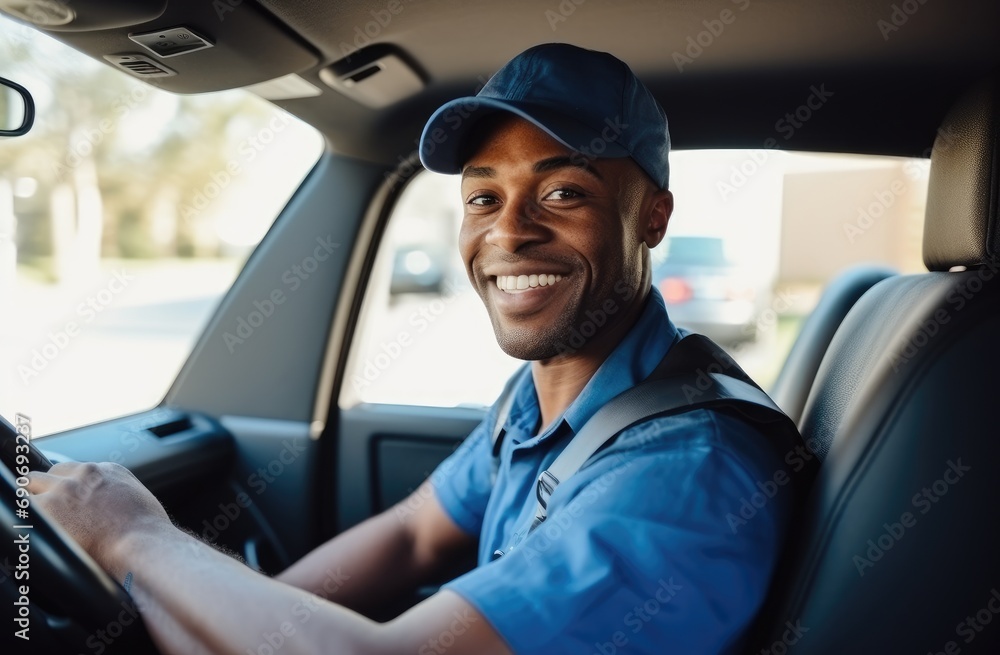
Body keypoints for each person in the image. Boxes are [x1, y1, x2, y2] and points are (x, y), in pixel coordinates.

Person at [27, 43, 791, 654]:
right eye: (483, 197)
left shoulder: (684, 477)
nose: (508, 231)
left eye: (563, 193)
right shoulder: (552, 389)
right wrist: (236, 619)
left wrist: (135, 535)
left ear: (652, 218)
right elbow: (415, 533)